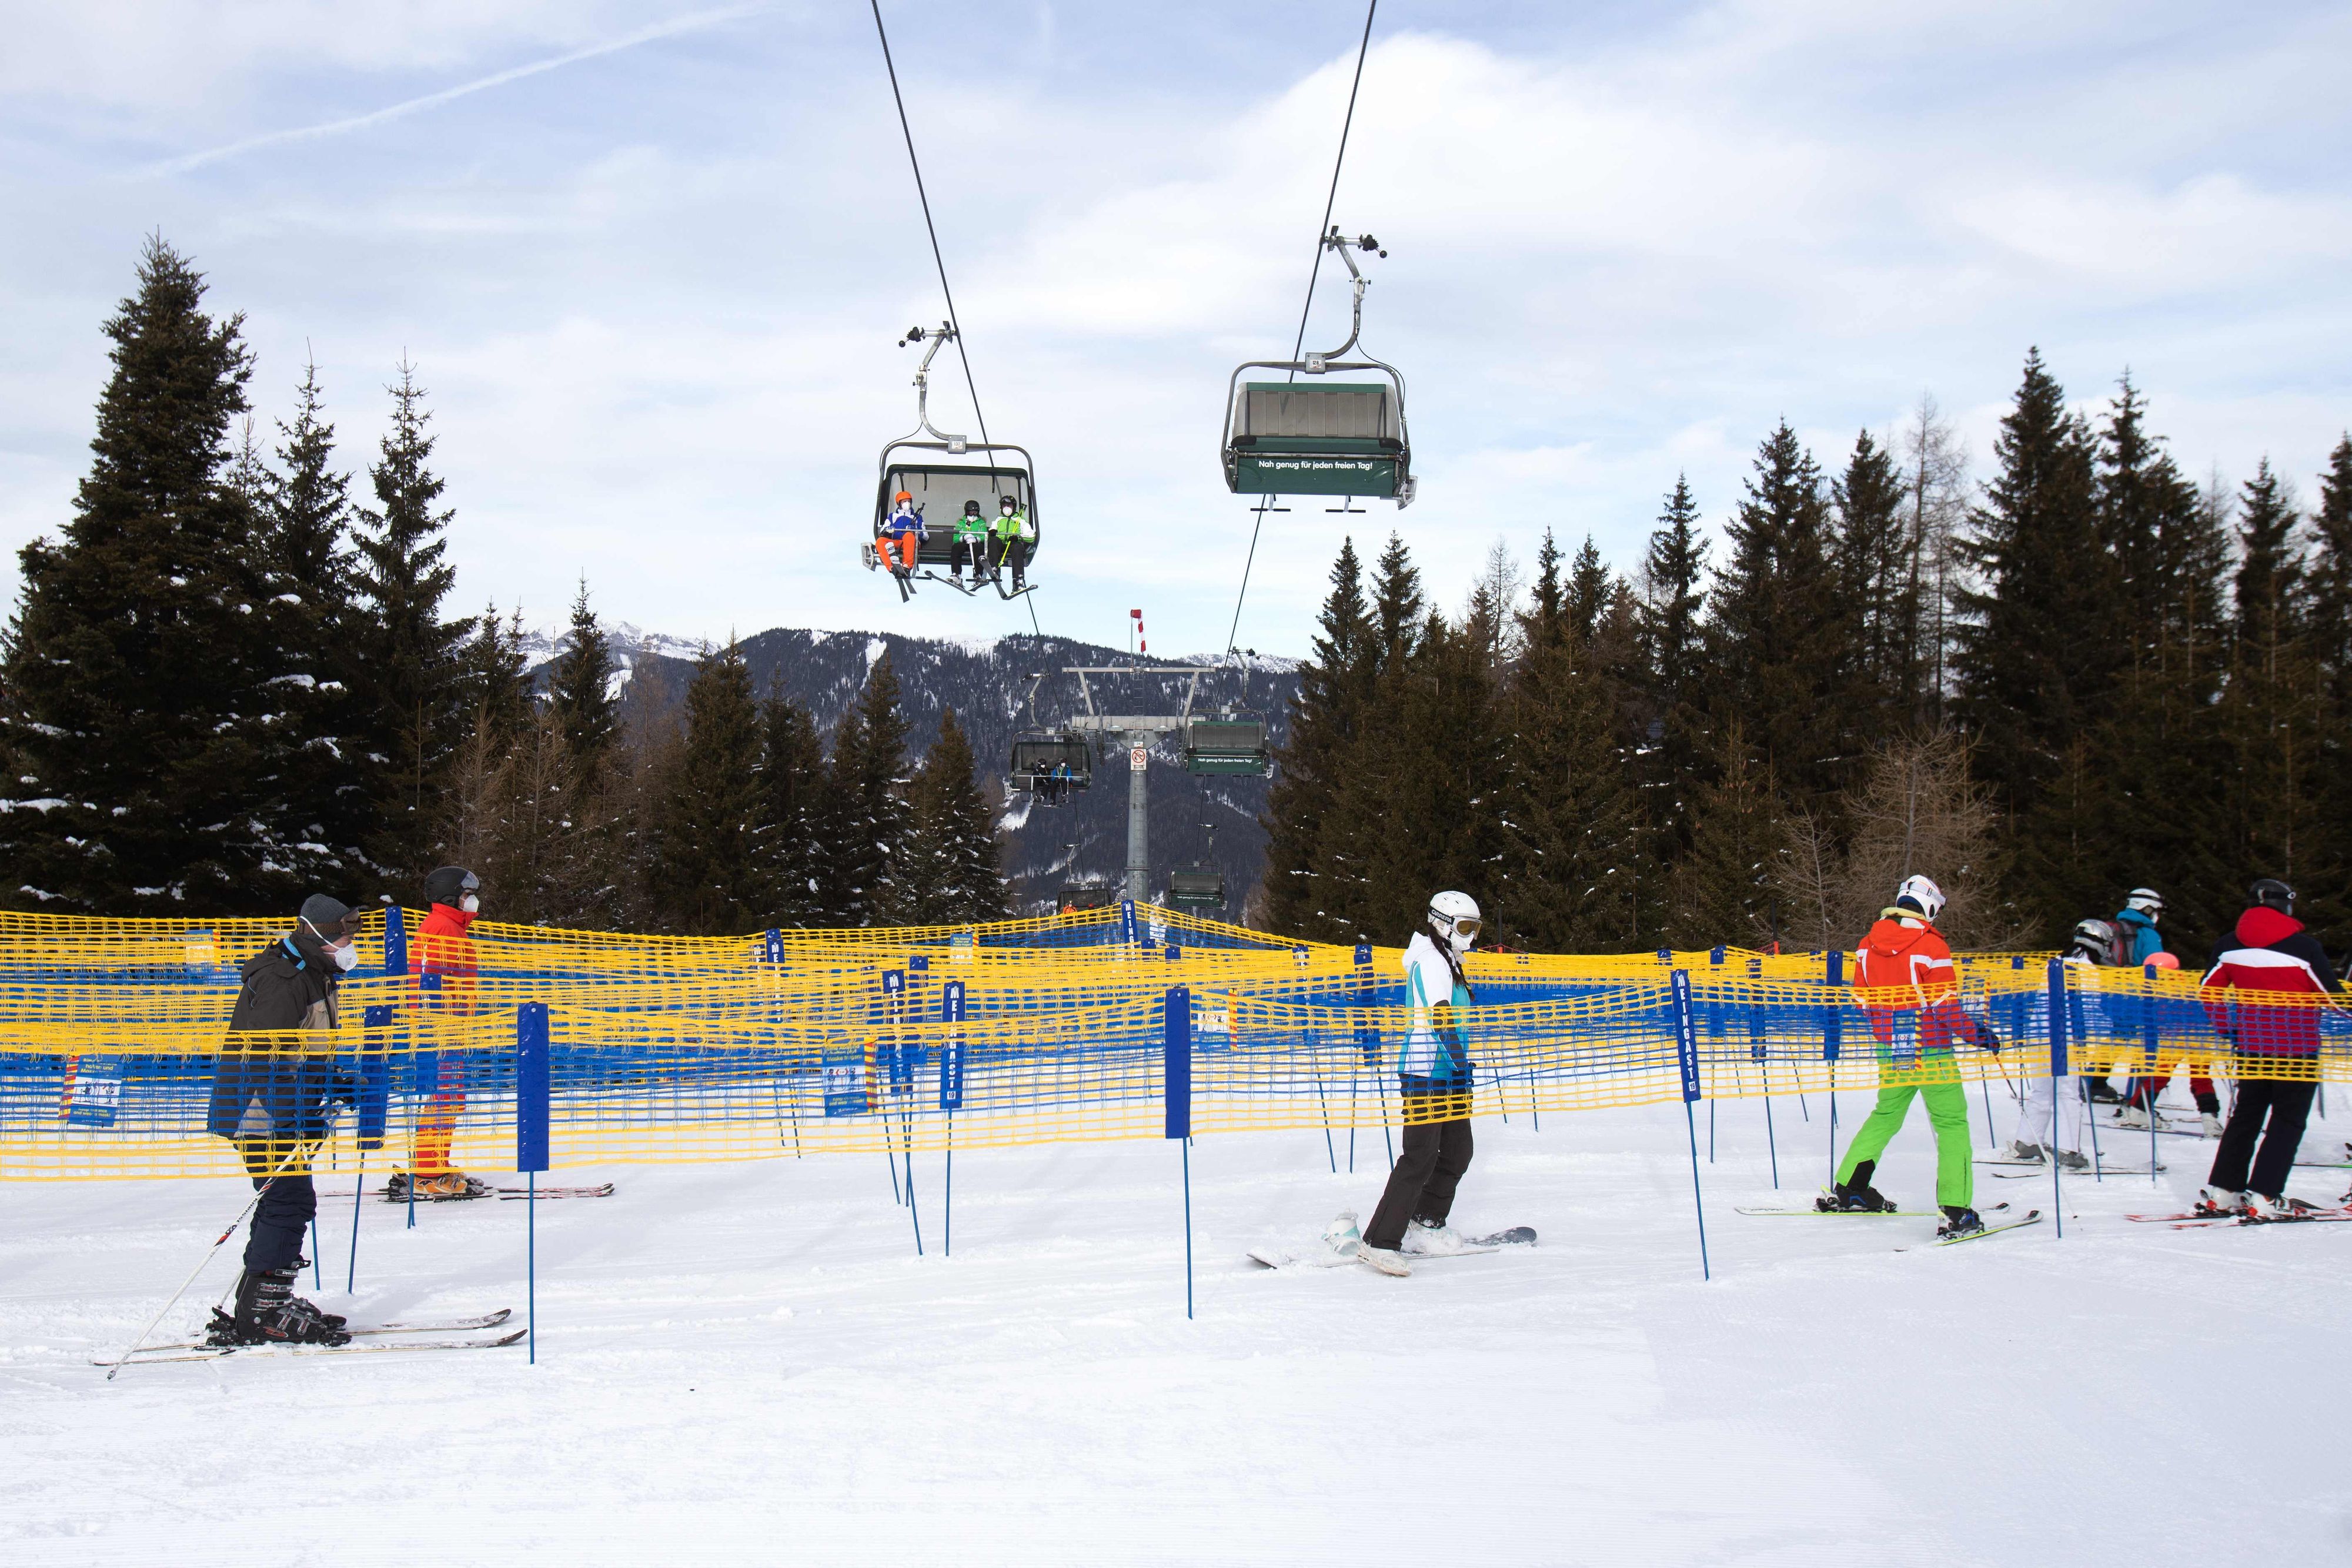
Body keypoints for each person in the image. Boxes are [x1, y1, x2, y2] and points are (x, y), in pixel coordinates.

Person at [202, 894, 363, 1346]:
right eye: (346, 936)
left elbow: (304, 1048)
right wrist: (293, 1115)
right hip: (261, 1111)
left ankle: (263, 1300)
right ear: (319, 934)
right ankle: (263, 1313)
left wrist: (335, 1082)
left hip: (284, 1107)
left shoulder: (316, 974)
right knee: (290, 1201)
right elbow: (263, 1057)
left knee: (282, 1201)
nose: (352, 944)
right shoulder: (282, 978)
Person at [1820, 874, 2002, 1237]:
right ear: (1930, 907)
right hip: (1932, 1050)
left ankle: (1850, 1189)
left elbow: (1861, 1001)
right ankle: (1956, 1209)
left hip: (1893, 1049)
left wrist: (1888, 1033)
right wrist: (1979, 1035)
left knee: (1886, 1114)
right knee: (1951, 1124)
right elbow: (1945, 1007)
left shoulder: (1866, 945)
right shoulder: (1931, 945)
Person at [2194, 878, 2342, 1219]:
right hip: (2298, 1048)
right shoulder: (2304, 947)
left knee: (2246, 1117)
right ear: (2286, 906)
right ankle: (2265, 1196)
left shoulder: (2228, 945)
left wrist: (2227, 1029)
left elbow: (2208, 989)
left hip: (2251, 1046)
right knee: (2287, 1121)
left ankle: (2225, 1192)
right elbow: (2333, 997)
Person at [1357, 891, 1483, 1276]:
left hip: (1449, 1073)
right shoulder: (1431, 961)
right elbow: (1439, 1016)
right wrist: (1459, 1063)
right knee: (1420, 1155)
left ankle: (1426, 1222)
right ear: (1442, 925)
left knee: (1459, 1149)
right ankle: (1379, 1241)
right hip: (1427, 1072)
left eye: (1475, 929)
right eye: (1464, 928)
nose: (1471, 937)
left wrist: (1461, 1068)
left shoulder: (1449, 961)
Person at [390, 866, 488, 1202]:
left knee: (450, 1098)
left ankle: (436, 1164)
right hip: (440, 1029)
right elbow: (428, 980)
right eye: (465, 894)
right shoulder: (440, 928)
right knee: (444, 1098)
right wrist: (439, 1025)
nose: (471, 901)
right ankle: (428, 1172)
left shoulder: (452, 927)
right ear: (450, 896)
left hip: (451, 1027)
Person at [2006, 917, 2117, 1169]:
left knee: (2041, 1093)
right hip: (2067, 1041)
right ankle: (2069, 1150)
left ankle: (2028, 1142)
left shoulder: (2053, 964)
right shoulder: (2088, 970)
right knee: (2068, 1094)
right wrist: (2105, 1030)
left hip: (2040, 1037)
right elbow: (2088, 1011)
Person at [2109, 888, 2219, 1134]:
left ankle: (2138, 1109)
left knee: (2158, 1071)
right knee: (2201, 1075)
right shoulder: (2180, 980)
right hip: (2197, 1032)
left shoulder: (2118, 932)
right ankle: (2210, 1118)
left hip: (2164, 1031)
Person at [878, 491, 927, 598]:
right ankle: (892, 568)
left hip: (912, 543)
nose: (907, 503)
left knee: (908, 535)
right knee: (880, 542)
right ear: (899, 504)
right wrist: (888, 531)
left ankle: (906, 566)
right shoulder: (893, 516)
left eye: (909, 501)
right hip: (897, 542)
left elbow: (926, 536)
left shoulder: (917, 517)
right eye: (905, 501)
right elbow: (883, 530)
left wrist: (916, 530)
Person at [989, 494, 1035, 593]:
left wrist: (1018, 537)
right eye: (1004, 506)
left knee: (1018, 547)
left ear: (1013, 507)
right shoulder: (998, 520)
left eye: (1009, 506)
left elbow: (1031, 536)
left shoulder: (1020, 520)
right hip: (1001, 544)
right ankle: (995, 569)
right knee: (994, 541)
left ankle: (1018, 580)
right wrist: (992, 532)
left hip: (1012, 544)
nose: (1006, 508)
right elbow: (992, 529)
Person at [950, 498, 990, 585]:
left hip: (975, 543)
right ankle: (956, 574)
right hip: (965, 543)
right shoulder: (961, 523)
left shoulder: (981, 522)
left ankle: (978, 574)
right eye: (970, 513)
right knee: (956, 547)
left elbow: (985, 535)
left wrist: (976, 539)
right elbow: (955, 538)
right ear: (966, 512)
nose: (972, 515)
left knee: (979, 548)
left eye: (975, 513)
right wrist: (964, 538)